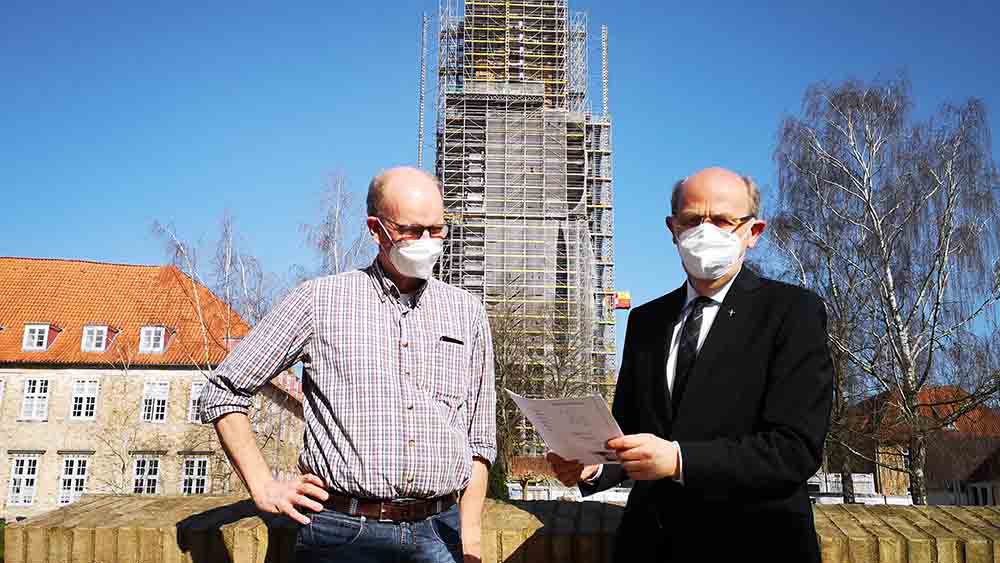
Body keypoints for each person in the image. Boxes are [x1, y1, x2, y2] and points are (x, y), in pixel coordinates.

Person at [200, 166, 496, 563]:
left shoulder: (467, 312)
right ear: (376, 229)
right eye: (412, 230)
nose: (427, 242)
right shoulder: (319, 302)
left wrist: (471, 540)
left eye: (437, 229)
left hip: (440, 534)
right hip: (340, 533)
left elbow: (479, 440)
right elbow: (224, 390)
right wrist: (263, 485)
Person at [548, 167, 833, 561]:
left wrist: (680, 460)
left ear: (753, 232)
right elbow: (632, 430)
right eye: (693, 220)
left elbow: (794, 449)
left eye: (721, 221)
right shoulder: (646, 320)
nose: (705, 232)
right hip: (650, 546)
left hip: (755, 544)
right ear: (672, 228)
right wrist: (593, 467)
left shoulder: (793, 313)